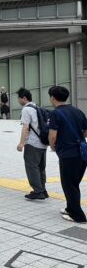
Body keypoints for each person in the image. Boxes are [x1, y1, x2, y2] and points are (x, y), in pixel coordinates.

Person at [47, 86, 87, 223]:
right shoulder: (78, 111)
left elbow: (52, 136)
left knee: (69, 185)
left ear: (52, 98)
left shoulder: (55, 113)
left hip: (68, 154)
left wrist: (53, 147)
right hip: (82, 153)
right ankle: (70, 208)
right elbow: (85, 132)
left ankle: (78, 216)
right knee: (73, 183)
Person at [16, 88, 48, 200]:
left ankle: (38, 191)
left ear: (24, 98)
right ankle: (43, 189)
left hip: (33, 143)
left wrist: (21, 143)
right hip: (43, 143)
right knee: (41, 167)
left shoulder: (26, 110)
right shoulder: (37, 107)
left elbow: (26, 128)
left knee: (31, 167)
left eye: (19, 98)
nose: (18, 100)